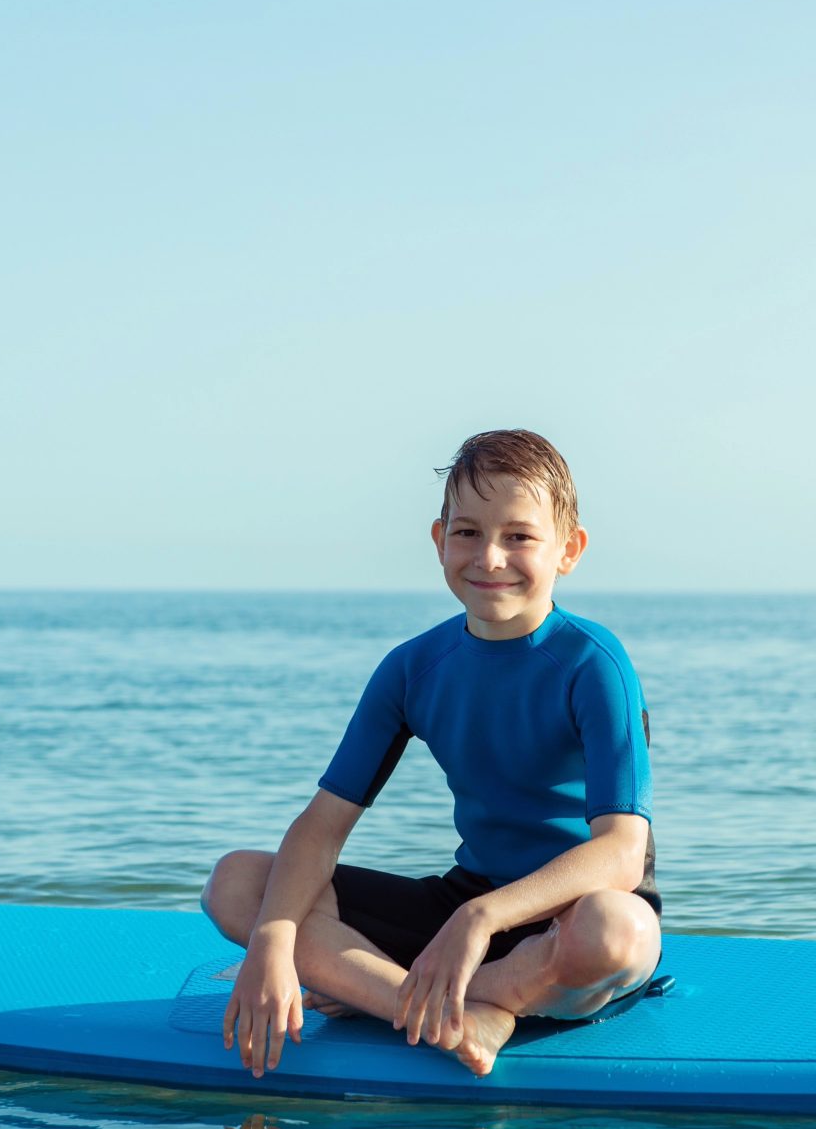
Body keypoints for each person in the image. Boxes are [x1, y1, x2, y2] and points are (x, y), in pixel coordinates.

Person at [201, 428, 662, 1079]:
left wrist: (482, 917)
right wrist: (272, 944)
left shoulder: (594, 663)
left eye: (519, 536)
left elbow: (620, 852)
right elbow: (322, 825)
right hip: (461, 904)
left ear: (570, 549)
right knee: (238, 884)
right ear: (438, 539)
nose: (490, 556)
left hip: (565, 918)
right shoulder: (414, 668)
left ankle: (430, 994)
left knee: (619, 930)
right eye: (467, 532)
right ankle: (448, 1013)